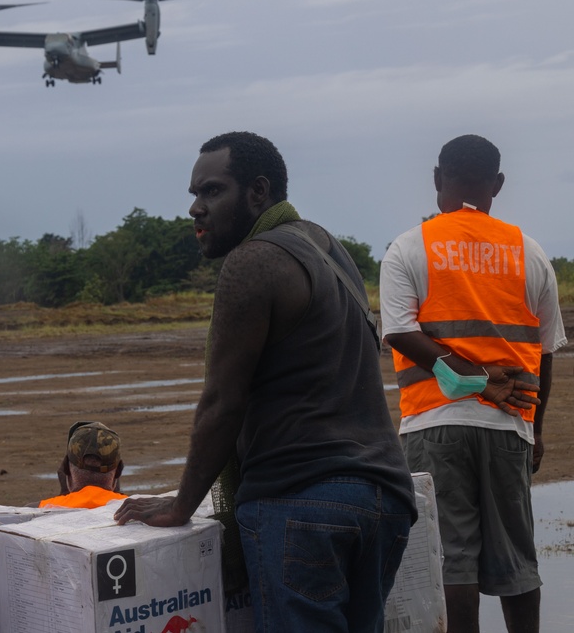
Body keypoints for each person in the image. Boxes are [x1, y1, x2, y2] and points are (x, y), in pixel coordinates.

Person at [114, 131, 417, 632]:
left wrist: (182, 504)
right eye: (194, 193)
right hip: (384, 496)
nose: (195, 208)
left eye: (211, 191)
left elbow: (222, 403)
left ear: (258, 191)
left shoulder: (252, 262)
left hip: (301, 502)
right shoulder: (326, 246)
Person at [380, 134, 567, 633]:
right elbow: (546, 352)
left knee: (451, 559)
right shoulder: (532, 254)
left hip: (432, 422)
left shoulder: (408, 248)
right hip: (509, 427)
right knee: (517, 562)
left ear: (438, 179)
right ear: (498, 185)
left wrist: (473, 382)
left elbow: (398, 331)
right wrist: (535, 428)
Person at [38, 421, 127, 509]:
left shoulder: (38, 510)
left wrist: (64, 496)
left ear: (65, 469)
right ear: (118, 471)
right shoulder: (135, 509)